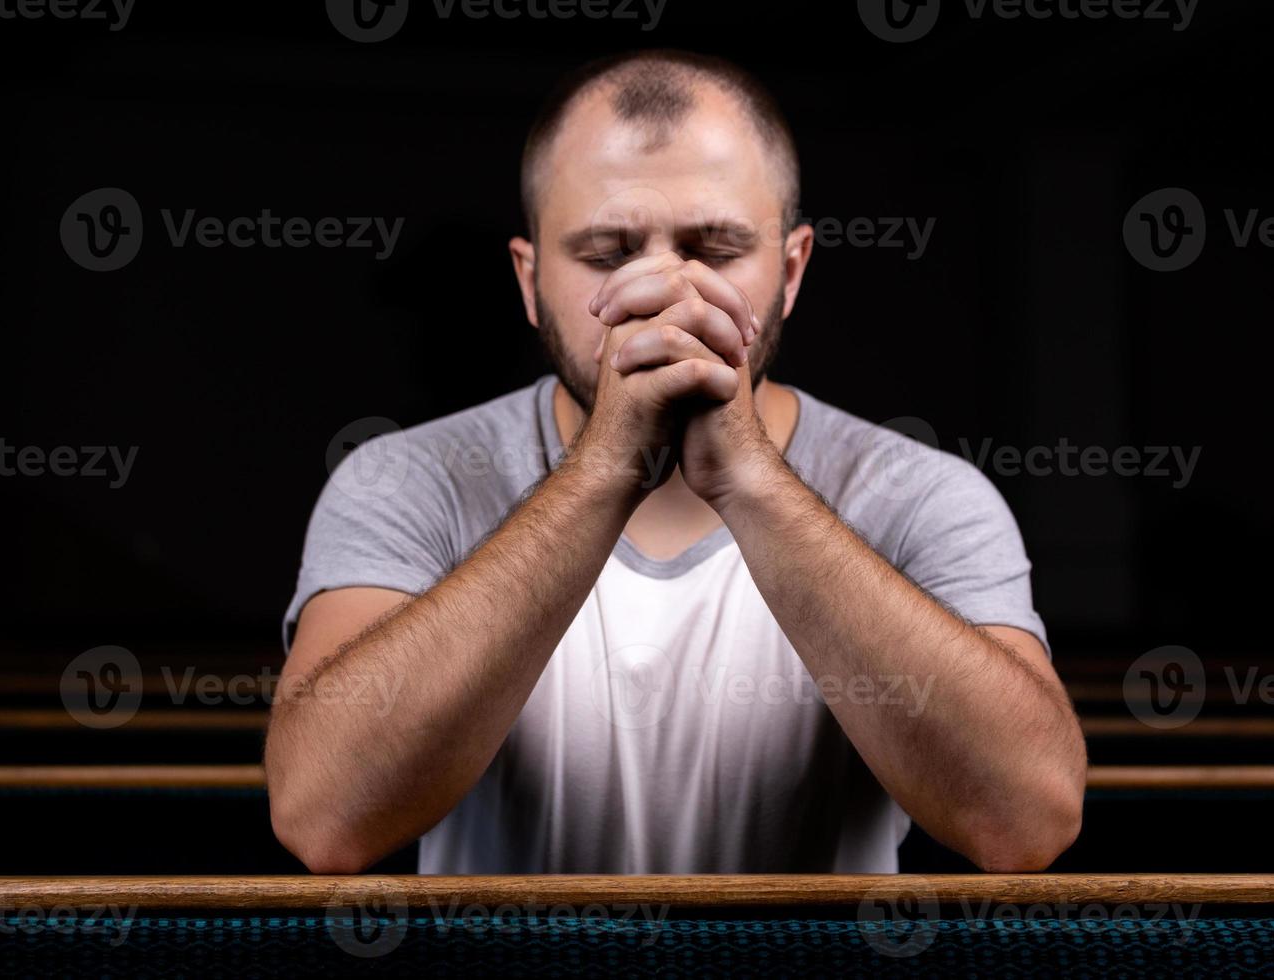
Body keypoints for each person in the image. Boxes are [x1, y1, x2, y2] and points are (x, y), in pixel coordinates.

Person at [265, 49, 1086, 875]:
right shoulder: (404, 481)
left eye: (717, 249)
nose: (666, 295)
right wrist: (602, 471)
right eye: (607, 254)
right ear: (529, 279)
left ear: (791, 271)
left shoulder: (923, 494)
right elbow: (326, 819)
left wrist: (751, 479)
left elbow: (1026, 823)